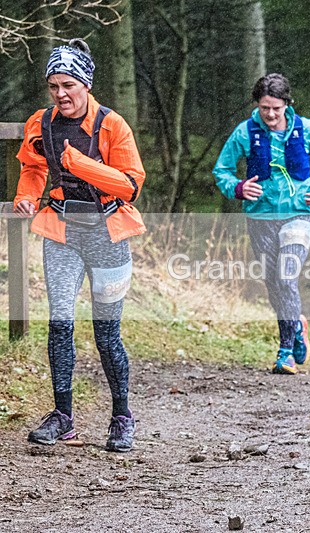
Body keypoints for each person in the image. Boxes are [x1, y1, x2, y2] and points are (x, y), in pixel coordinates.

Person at [14, 38, 146, 452]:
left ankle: (122, 417)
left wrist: (81, 164)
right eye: (54, 86)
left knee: (107, 332)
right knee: (60, 323)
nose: (61, 94)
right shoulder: (41, 123)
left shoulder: (112, 125)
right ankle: (63, 416)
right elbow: (33, 167)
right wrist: (27, 196)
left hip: (108, 235)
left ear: (86, 84)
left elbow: (131, 185)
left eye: (68, 85)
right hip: (62, 233)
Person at [213, 73, 310, 375]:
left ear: (287, 104)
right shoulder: (245, 132)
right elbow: (222, 170)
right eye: (264, 107)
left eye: (276, 108)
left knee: (287, 276)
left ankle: (285, 350)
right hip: (261, 216)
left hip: (300, 214)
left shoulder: (307, 129)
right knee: (273, 284)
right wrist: (238, 188)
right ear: (257, 105)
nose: (270, 114)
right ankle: (297, 325)